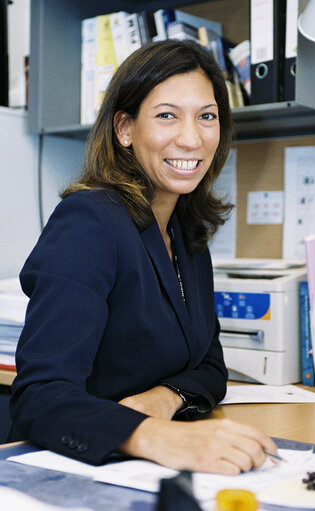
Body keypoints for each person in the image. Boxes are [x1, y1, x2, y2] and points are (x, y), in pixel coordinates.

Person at [9, 39, 277, 475]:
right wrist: (158, 436)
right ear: (125, 129)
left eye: (206, 116)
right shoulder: (89, 221)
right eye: (167, 115)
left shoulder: (185, 231)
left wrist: (164, 397)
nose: (191, 138)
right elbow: (40, 397)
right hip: (70, 470)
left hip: (145, 471)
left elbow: (210, 366)